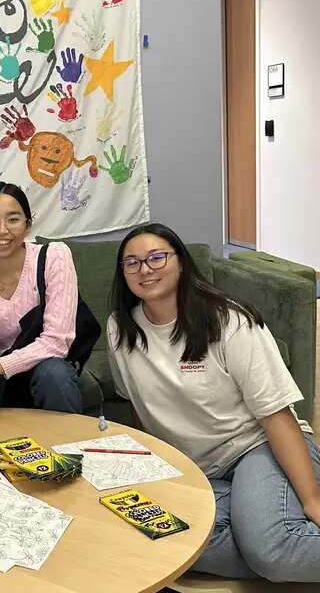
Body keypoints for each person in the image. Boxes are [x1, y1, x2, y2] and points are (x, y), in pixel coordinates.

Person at [107, 223, 320, 582]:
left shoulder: (229, 321)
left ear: (181, 263)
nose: (145, 269)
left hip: (259, 448)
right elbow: (139, 408)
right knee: (154, 537)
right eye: (132, 263)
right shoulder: (121, 329)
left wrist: (312, 501)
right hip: (201, 471)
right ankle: (265, 532)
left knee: (272, 549)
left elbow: (276, 414)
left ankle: (274, 538)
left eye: (157, 257)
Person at [0, 182, 81, 452]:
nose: (1, 230)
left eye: (13, 219)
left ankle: (69, 448)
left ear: (28, 225)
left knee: (53, 373)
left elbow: (56, 341)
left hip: (43, 359)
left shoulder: (54, 256)